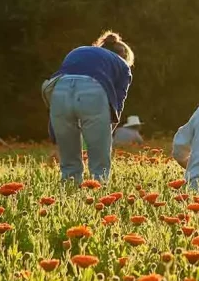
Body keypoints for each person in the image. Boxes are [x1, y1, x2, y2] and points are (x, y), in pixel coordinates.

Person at [43, 31, 134, 184]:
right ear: (123, 55)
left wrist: (56, 136)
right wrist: (106, 131)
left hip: (59, 88)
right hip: (93, 90)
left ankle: (70, 191)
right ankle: (99, 192)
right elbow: (118, 101)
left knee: (69, 161)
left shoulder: (78, 51)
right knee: (100, 162)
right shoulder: (122, 65)